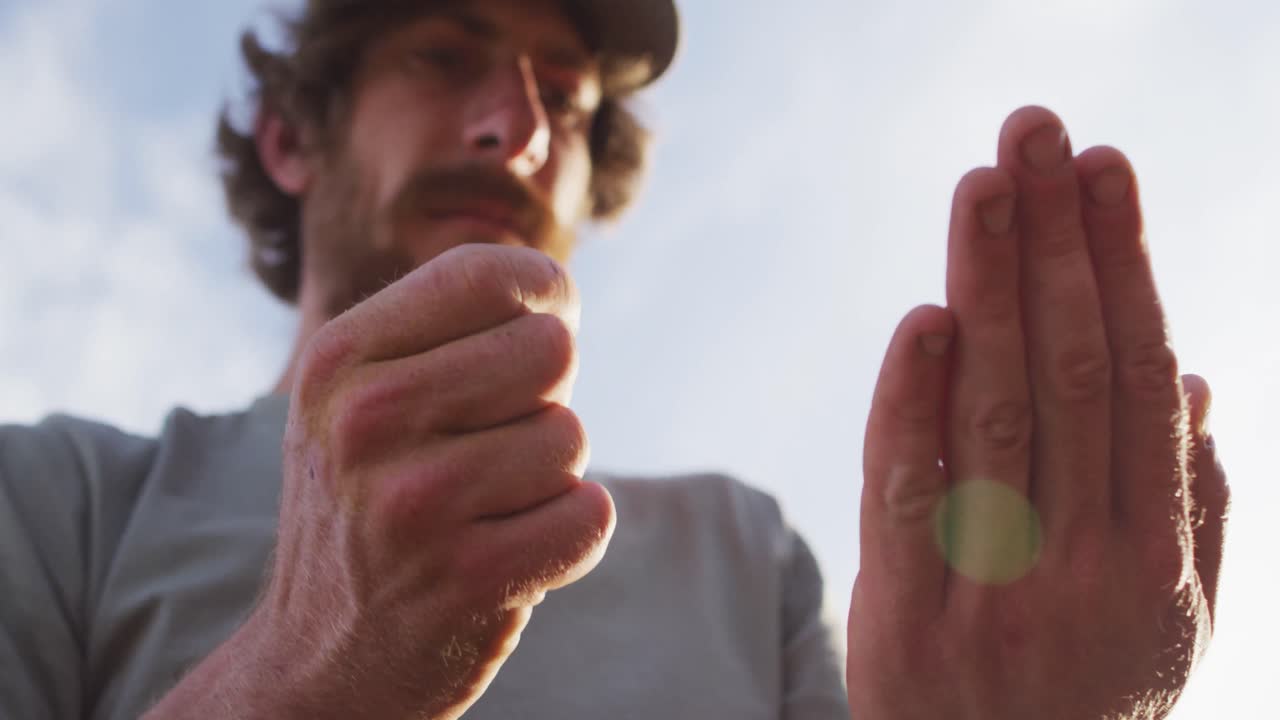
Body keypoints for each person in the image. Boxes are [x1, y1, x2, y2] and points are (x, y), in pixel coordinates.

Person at [0, 0, 1230, 718]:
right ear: (286, 138)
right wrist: (298, 669)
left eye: (569, 103)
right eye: (443, 53)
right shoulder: (61, 503)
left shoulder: (744, 557)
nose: (520, 131)